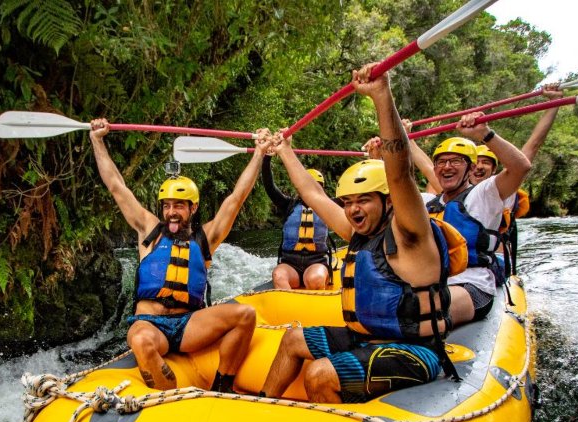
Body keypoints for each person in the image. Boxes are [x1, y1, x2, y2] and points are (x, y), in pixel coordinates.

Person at [258, 64, 467, 404]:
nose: (354, 210)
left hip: (414, 350)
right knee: (294, 339)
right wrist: (284, 151)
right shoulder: (357, 231)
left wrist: (382, 97)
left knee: (319, 372)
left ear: (387, 202)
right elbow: (313, 194)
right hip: (365, 338)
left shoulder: (410, 232)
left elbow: (401, 175)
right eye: (349, 202)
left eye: (364, 201)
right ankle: (262, 407)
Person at [89, 118, 271, 392]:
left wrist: (259, 152)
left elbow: (237, 197)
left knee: (245, 314)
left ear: (193, 207)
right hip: (150, 324)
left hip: (189, 325)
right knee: (140, 341)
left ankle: (222, 386)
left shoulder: (205, 237)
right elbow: (117, 186)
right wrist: (97, 141)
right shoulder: (149, 230)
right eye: (167, 206)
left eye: (179, 206)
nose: (171, 212)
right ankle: (174, 399)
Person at [426, 112, 531, 327]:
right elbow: (395, 185)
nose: (447, 167)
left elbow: (521, 167)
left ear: (472, 168)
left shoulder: (484, 194)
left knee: (412, 311)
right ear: (435, 169)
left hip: (472, 286)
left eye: (455, 161)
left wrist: (485, 134)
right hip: (433, 284)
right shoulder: (428, 202)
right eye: (441, 162)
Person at [469, 84, 564, 275]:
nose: (479, 166)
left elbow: (532, 147)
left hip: (495, 260)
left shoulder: (505, 186)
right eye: (476, 162)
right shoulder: (455, 191)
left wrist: (554, 103)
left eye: (486, 162)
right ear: (468, 167)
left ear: (494, 168)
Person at [262, 156, 333, 289]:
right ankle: (287, 308)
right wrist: (267, 158)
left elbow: (354, 197)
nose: (311, 190)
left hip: (316, 262)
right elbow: (269, 186)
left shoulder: (329, 206)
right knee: (279, 276)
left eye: (316, 186)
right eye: (307, 186)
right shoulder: (288, 205)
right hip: (290, 264)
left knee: (315, 279)